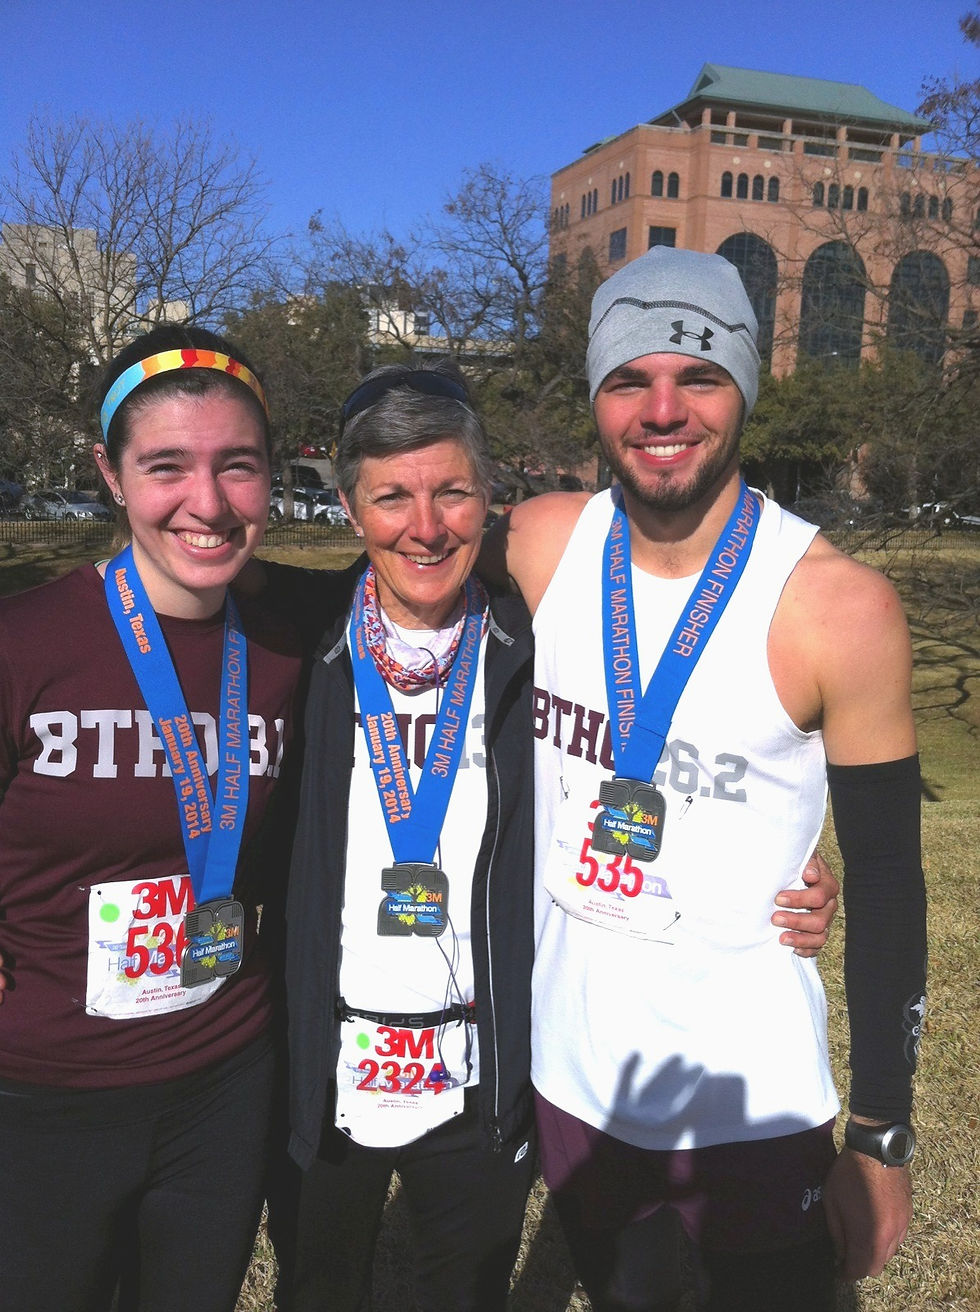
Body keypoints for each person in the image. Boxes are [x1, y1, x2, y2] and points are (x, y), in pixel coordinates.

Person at [263, 362, 840, 1312]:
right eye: (390, 497)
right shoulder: (296, 644)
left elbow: (673, 750)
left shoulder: (538, 645)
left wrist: (789, 873)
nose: (425, 525)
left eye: (453, 491)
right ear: (350, 508)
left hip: (484, 1084)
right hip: (329, 1076)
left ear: (490, 499)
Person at [480, 246, 927, 1312]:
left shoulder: (835, 605)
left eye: (698, 376)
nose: (661, 407)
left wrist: (878, 1131)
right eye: (628, 378)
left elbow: (884, 876)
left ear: (744, 390)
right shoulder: (543, 541)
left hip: (750, 1096)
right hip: (575, 1070)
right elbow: (394, 582)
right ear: (594, 395)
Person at [0, 325, 303, 1312]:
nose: (207, 504)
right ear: (110, 472)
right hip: (43, 1092)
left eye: (238, 467)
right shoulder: (26, 640)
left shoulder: (294, 646)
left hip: (223, 1082)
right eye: (167, 465)